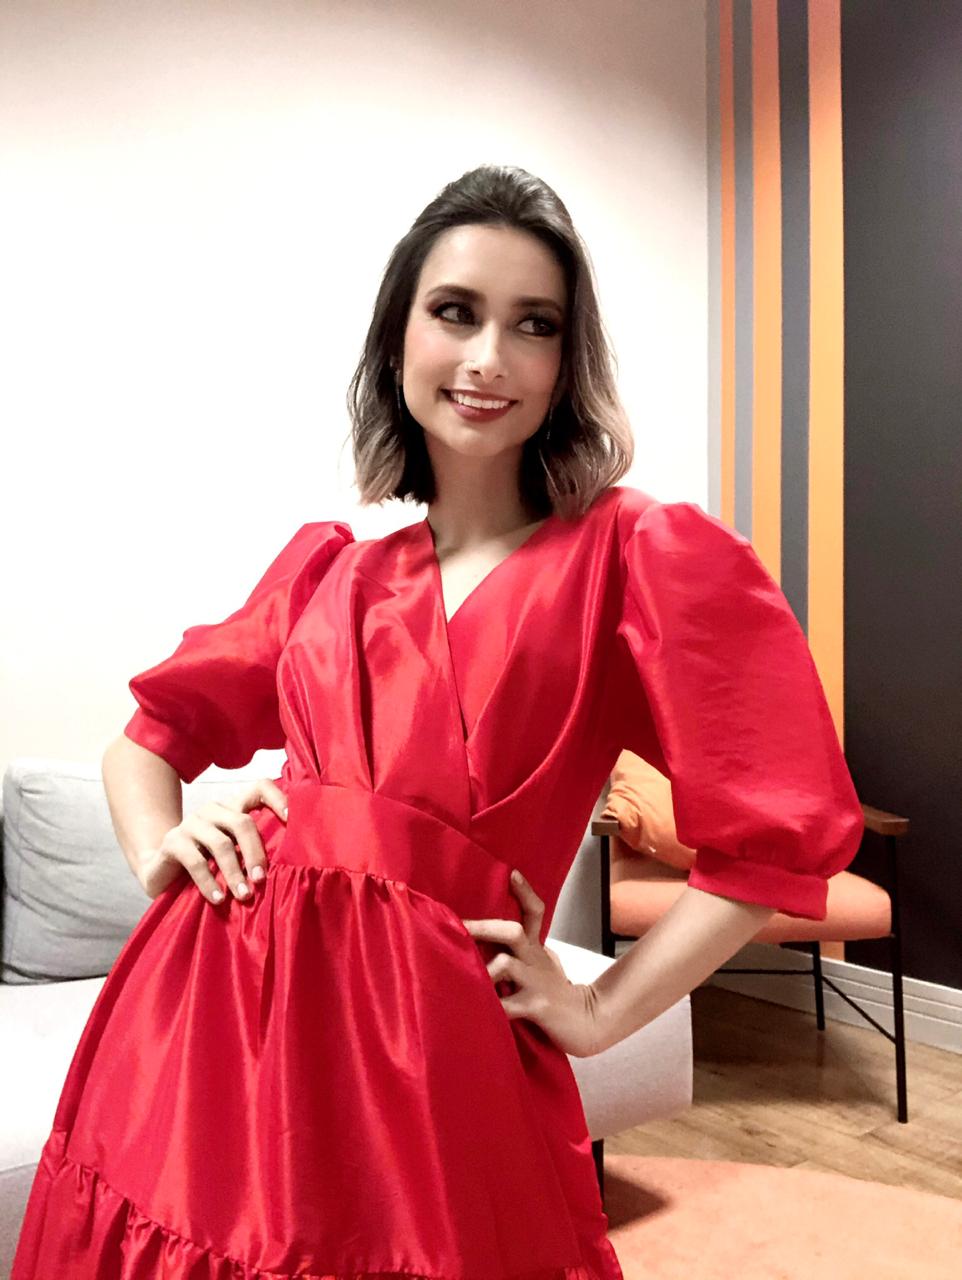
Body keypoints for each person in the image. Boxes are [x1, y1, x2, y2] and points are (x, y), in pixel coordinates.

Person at [12, 164, 864, 1280]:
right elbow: (146, 737)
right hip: (209, 1015)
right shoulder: (328, 572)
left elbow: (777, 834)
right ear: (398, 338)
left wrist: (601, 1009)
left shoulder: (635, 556)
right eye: (455, 312)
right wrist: (160, 842)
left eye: (533, 324)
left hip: (437, 1042)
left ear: (566, 363)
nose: (487, 358)